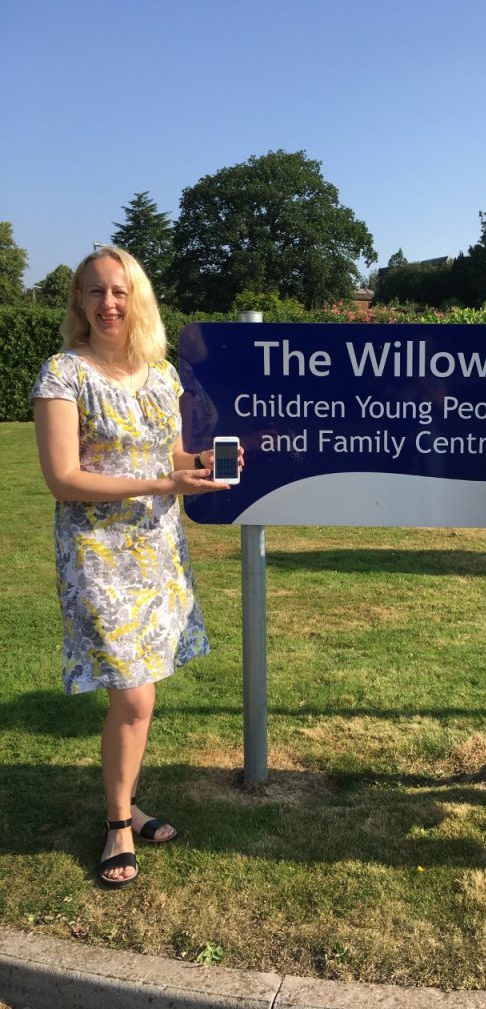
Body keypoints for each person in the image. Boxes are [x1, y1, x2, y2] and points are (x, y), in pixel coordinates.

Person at [31, 246, 243, 888]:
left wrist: (197, 466)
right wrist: (161, 483)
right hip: (98, 557)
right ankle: (119, 825)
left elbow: (168, 450)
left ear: (138, 298)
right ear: (79, 304)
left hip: (156, 551)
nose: (108, 304)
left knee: (140, 695)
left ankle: (126, 802)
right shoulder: (63, 374)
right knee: (133, 693)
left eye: (119, 291)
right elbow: (63, 478)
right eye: (94, 293)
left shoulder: (162, 376)